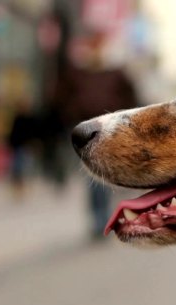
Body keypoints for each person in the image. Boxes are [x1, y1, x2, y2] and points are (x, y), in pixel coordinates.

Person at [57, 31, 137, 238]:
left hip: (109, 128)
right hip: (83, 127)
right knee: (92, 176)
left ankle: (100, 216)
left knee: (100, 174)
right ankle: (98, 216)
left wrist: (123, 118)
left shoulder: (116, 72)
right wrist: (71, 111)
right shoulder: (77, 72)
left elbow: (131, 95)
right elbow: (60, 94)